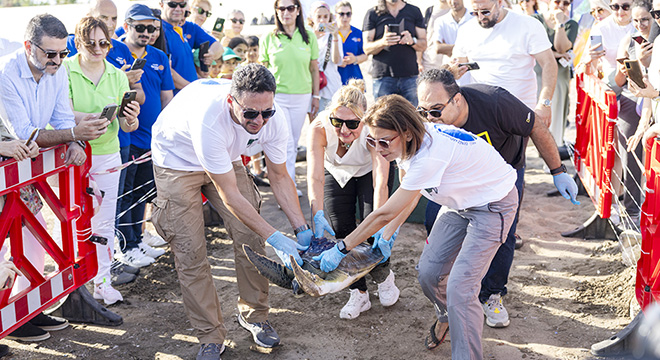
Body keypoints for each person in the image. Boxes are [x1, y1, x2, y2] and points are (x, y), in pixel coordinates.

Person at [313, 94, 519, 360]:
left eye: (384, 141)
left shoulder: (429, 156)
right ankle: (448, 316)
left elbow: (384, 213)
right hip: (459, 203)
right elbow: (410, 194)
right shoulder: (410, 141)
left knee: (461, 287)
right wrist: (389, 233)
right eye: (372, 141)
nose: (378, 148)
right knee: (428, 273)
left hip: (494, 205)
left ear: (406, 134)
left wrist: (342, 247)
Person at [150, 64, 313, 360]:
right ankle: (210, 335)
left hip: (225, 156)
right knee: (190, 250)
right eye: (250, 113)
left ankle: (255, 315)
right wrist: (278, 237)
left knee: (250, 237)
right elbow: (230, 196)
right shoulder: (210, 120)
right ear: (231, 102)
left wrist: (302, 229)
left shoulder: (273, 118)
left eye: (267, 112)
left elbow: (279, 176)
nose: (260, 120)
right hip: (177, 159)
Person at [416, 68, 579, 348]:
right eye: (424, 111)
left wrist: (557, 170)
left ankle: (492, 294)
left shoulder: (494, 102)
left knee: (504, 236)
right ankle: (449, 306)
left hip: (504, 177)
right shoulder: (432, 122)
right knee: (432, 226)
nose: (430, 118)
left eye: (436, 110)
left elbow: (536, 126)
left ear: (457, 99)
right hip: (461, 182)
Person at [0, 13, 108, 342]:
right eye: (51, 54)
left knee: (35, 232)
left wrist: (74, 139)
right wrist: (73, 133)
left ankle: (22, 309)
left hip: (21, 168)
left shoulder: (56, 72)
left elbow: (60, 117)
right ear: (27, 46)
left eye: (64, 53)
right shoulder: (6, 72)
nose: (59, 60)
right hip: (8, 162)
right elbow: (25, 133)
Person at [306, 80, 399, 319]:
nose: (344, 130)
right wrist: (316, 213)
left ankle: (384, 277)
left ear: (364, 119)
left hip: (368, 171)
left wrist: (381, 222)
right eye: (337, 122)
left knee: (370, 229)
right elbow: (315, 176)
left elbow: (381, 180)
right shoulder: (319, 127)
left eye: (352, 123)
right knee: (342, 230)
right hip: (336, 172)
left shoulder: (373, 129)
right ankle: (358, 293)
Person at [64, 16, 141, 305]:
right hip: (71, 156)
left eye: (104, 43)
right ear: (77, 42)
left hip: (108, 153)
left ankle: (103, 282)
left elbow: (127, 125)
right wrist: (90, 120)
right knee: (73, 221)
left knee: (105, 222)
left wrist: (129, 117)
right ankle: (76, 283)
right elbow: (60, 115)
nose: (98, 49)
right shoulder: (66, 70)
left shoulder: (117, 74)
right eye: (90, 43)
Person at [116, 4, 175, 268]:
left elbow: (167, 100)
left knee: (142, 192)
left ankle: (137, 240)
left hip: (153, 139)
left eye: (151, 28)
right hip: (127, 138)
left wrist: (166, 134)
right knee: (124, 194)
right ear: (127, 26)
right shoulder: (113, 50)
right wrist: (125, 78)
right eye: (140, 27)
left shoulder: (160, 56)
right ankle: (125, 245)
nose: (146, 33)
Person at [452, 0, 558, 128]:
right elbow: (459, 66)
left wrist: (544, 104)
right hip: (480, 110)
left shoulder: (527, 25)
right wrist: (453, 71)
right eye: (475, 12)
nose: (480, 17)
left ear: (500, 2)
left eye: (485, 11)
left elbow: (549, 63)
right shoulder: (466, 30)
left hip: (519, 111)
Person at [260, 0, 320, 195]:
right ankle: (284, 188)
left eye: (290, 8)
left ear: (298, 11)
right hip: (277, 98)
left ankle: (289, 184)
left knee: (293, 142)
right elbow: (263, 70)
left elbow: (314, 69)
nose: (286, 12)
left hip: (302, 96)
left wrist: (316, 96)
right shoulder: (268, 37)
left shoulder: (309, 37)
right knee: (281, 142)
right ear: (276, 12)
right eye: (281, 8)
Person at [532, 0, 579, 150]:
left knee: (556, 115)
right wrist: (557, 55)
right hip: (535, 73)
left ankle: (552, 153)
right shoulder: (536, 21)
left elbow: (562, 46)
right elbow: (531, 47)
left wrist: (559, 23)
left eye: (565, 3)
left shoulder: (571, 24)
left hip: (559, 76)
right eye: (557, 1)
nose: (561, 5)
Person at [363, 0, 427, 106]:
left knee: (412, 118)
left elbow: (424, 44)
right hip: (383, 77)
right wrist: (383, 42)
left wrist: (412, 41)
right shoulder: (373, 13)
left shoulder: (414, 11)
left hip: (410, 77)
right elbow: (366, 48)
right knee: (383, 118)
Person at [159, 0, 222, 91]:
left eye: (182, 4)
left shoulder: (180, 29)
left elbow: (218, 47)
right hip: (176, 98)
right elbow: (166, 71)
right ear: (161, 5)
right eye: (172, 4)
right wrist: (193, 89)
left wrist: (210, 54)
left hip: (188, 95)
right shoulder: (159, 31)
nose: (178, 8)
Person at [309, 1, 343, 112]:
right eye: (318, 17)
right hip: (312, 85)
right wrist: (314, 36)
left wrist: (335, 36)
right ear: (312, 18)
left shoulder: (334, 35)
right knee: (315, 123)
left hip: (331, 85)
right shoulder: (308, 36)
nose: (322, 20)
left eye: (325, 16)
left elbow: (336, 60)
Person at [434, 0, 473, 85]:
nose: (453, 1)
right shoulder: (440, 21)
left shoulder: (474, 18)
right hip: (450, 70)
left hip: (471, 73)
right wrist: (465, 50)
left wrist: (447, 48)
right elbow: (438, 48)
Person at [335, 1, 367, 84]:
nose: (345, 17)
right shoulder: (329, 32)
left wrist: (355, 59)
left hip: (353, 76)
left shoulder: (358, 33)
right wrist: (336, 61)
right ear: (335, 15)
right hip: (334, 77)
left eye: (348, 14)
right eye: (341, 14)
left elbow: (365, 54)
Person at [420, 0, 450, 72]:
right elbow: (423, 37)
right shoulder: (430, 11)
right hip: (429, 62)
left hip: (449, 63)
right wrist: (419, 62)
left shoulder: (457, 11)